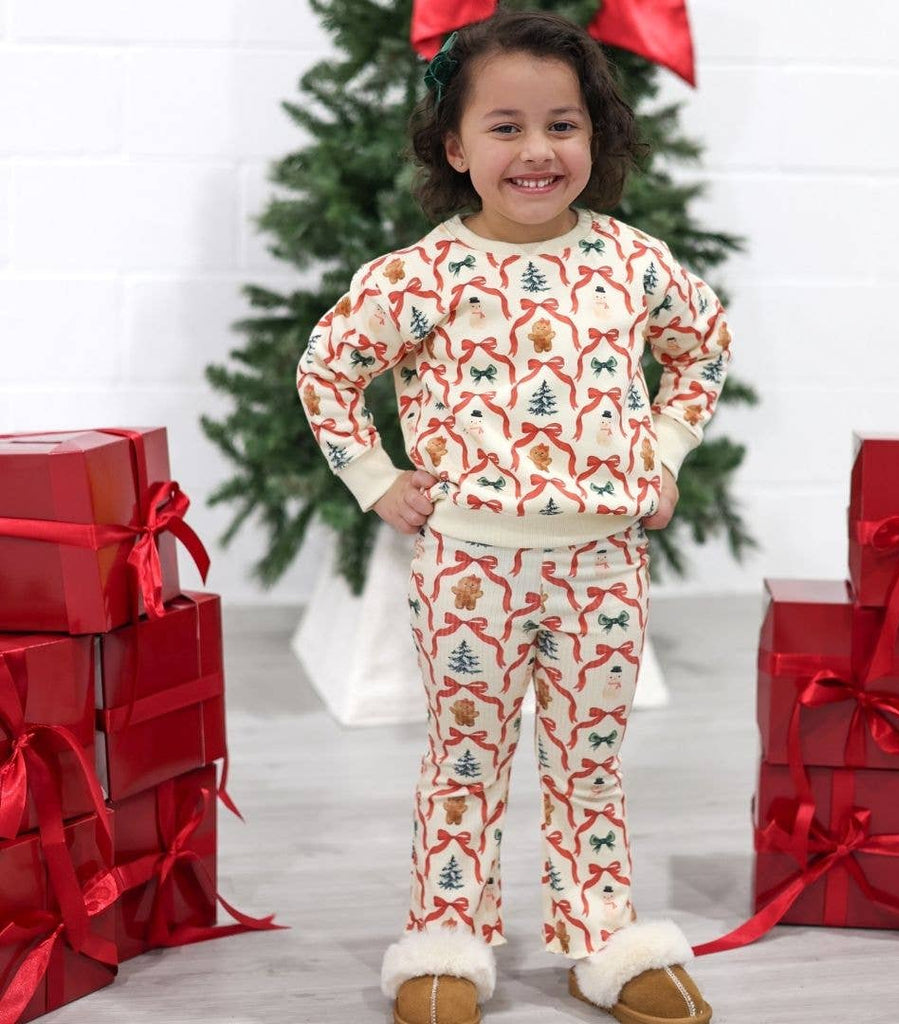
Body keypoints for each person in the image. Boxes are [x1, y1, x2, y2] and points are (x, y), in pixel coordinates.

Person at [297, 10, 730, 1024]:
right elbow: (327, 369)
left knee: (590, 760)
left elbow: (701, 347)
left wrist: (662, 452)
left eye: (562, 125)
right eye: (505, 127)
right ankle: (446, 938)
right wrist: (375, 478)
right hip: (468, 569)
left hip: (603, 566)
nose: (537, 150)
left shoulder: (633, 263)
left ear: (594, 135)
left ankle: (604, 937)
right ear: (454, 146)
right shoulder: (418, 277)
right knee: (464, 756)